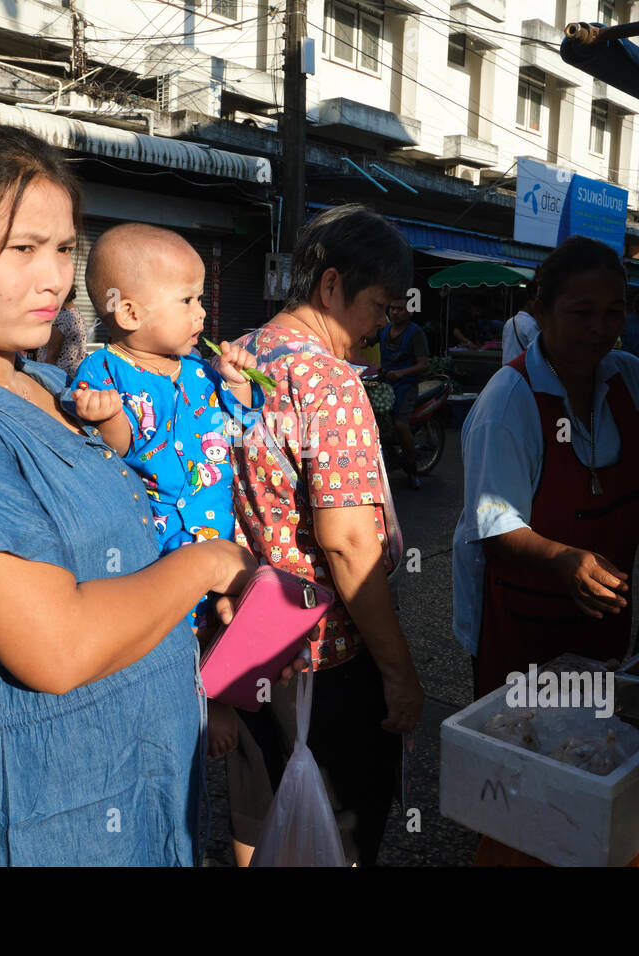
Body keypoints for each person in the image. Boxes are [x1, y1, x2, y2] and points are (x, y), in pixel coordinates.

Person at [0, 121, 281, 866]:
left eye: (63, 249)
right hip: (55, 820)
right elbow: (56, 646)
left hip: (146, 790)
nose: (53, 278)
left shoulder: (51, 384)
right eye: (21, 248)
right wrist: (211, 565)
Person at [228, 203, 425, 868]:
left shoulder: (240, 354)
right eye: (378, 305)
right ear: (331, 286)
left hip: (248, 632)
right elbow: (346, 543)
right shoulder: (329, 380)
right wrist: (398, 673)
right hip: (323, 650)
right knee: (339, 823)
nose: (378, 329)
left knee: (257, 804)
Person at [452, 236, 639, 699]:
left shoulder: (632, 379)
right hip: (519, 618)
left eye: (613, 313)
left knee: (594, 740)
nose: (600, 329)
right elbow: (495, 526)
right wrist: (563, 558)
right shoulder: (509, 400)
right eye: (582, 313)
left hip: (605, 608)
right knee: (520, 739)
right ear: (541, 313)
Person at [66, 222, 264, 760]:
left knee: (229, 617)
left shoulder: (203, 370)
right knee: (173, 626)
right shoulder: (103, 370)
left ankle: (219, 696)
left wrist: (242, 385)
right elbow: (123, 444)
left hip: (217, 530)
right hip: (156, 542)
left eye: (201, 298)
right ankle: (183, 702)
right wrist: (104, 418)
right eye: (187, 299)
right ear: (128, 312)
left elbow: (244, 428)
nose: (202, 313)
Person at [378, 296, 430, 489]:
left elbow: (423, 364)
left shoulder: (416, 333)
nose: (395, 312)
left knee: (400, 425)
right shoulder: (384, 330)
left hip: (406, 386)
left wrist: (401, 373)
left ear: (410, 311)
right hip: (384, 386)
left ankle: (412, 468)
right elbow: (365, 341)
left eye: (400, 309)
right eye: (392, 308)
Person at [35, 285, 89, 378]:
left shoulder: (61, 319)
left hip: (56, 379)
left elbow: (51, 357)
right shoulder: (77, 315)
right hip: (70, 377)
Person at [500, 285, 540, 363]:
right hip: (521, 371)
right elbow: (538, 351)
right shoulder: (530, 324)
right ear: (529, 303)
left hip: (506, 369)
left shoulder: (509, 322)